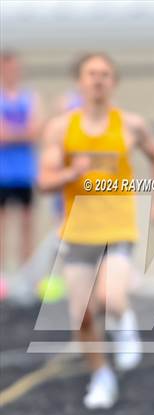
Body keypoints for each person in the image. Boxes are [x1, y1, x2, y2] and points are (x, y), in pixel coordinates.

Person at [38, 53, 154, 409]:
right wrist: (69, 174)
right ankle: (101, 376)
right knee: (83, 314)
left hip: (118, 225)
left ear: (114, 82)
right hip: (78, 231)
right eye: (91, 74)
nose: (98, 80)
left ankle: (124, 322)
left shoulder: (130, 125)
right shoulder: (61, 128)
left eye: (105, 74)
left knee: (111, 298)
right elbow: (44, 181)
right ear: (80, 81)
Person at [0, 51, 44, 265]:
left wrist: (12, 133)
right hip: (3, 172)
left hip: (25, 172)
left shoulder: (30, 97)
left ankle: (27, 271)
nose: (12, 72)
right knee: (3, 224)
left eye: (15, 68)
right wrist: (22, 132)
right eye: (8, 68)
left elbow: (36, 131)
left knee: (27, 224)